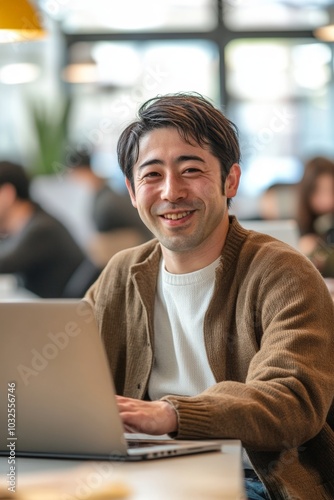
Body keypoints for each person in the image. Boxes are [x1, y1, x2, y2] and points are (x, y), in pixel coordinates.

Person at [85, 93, 334, 500]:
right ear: (132, 191)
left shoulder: (283, 272)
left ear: (230, 180)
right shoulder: (121, 274)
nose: (171, 191)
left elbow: (291, 400)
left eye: (191, 169)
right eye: (152, 175)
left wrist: (171, 414)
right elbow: (64, 376)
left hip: (256, 481)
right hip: (142, 473)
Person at [0, 160, 86, 298]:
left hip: (58, 314)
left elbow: (4, 264)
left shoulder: (42, 229)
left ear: (7, 194)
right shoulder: (30, 223)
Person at [66, 149, 152, 266]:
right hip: (137, 244)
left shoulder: (106, 201)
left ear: (79, 171)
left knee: (94, 246)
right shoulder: (104, 191)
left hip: (138, 247)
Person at [296, 156, 334, 278]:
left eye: (331, 190)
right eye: (319, 191)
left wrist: (321, 257)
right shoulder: (299, 224)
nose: (327, 200)